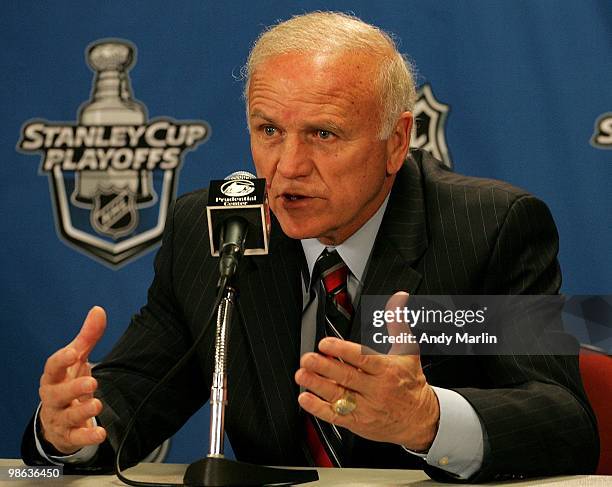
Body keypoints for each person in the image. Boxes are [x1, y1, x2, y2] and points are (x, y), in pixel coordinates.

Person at [22, 11, 599, 482]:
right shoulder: (216, 226)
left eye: (324, 134)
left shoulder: (489, 227)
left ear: (396, 141)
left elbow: (564, 423)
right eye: (269, 131)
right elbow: (132, 401)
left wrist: (427, 420)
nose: (288, 169)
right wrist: (66, 432)